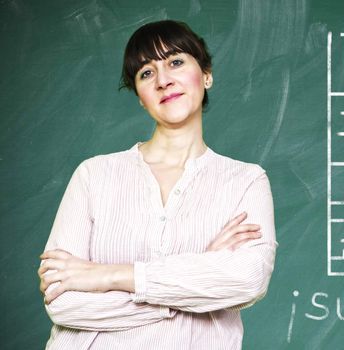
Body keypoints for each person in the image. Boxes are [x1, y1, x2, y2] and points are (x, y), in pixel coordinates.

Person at [37, 20, 277, 349]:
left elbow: (247, 281)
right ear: (140, 96)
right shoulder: (93, 175)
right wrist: (198, 275)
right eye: (146, 73)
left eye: (176, 62)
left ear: (206, 74)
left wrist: (110, 276)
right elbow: (62, 301)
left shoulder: (246, 181)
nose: (163, 80)